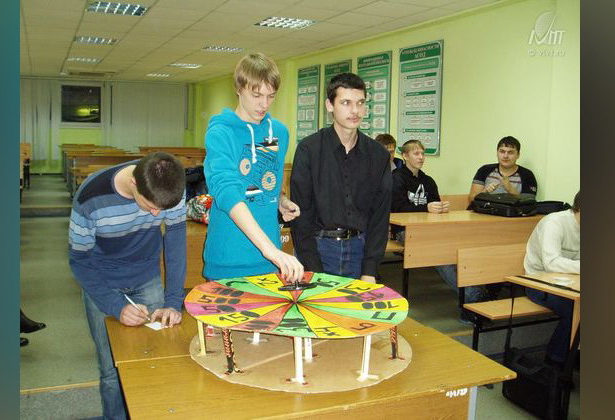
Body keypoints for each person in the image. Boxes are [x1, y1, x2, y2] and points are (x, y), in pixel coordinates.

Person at [69, 152, 187, 420]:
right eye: (151, 206)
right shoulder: (90, 198)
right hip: (103, 283)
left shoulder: (171, 189)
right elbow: (79, 260)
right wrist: (115, 306)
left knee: (156, 360)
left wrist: (173, 301)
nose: (157, 214)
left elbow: (176, 241)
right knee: (112, 370)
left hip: (147, 277)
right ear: (134, 183)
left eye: (162, 209)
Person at [203, 52, 303, 283]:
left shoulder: (279, 133)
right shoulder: (221, 133)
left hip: (269, 262)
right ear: (239, 88)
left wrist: (280, 201)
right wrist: (270, 250)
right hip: (229, 261)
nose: (264, 104)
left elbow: (266, 183)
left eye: (271, 96)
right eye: (256, 95)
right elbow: (227, 192)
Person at [290, 72, 392, 283]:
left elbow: (380, 218)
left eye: (360, 103)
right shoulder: (309, 150)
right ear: (330, 105)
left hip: (360, 250)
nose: (355, 110)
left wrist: (370, 269)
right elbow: (302, 217)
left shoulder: (378, 155)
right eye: (346, 103)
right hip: (318, 249)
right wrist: (313, 270)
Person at [391, 140, 487, 309]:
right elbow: (397, 208)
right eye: (416, 153)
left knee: (458, 245)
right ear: (405, 156)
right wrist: (426, 208)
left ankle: (478, 288)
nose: (421, 157)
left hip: (430, 229)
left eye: (422, 154)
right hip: (405, 231)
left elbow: (434, 204)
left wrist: (441, 208)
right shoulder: (396, 178)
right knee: (440, 250)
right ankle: (472, 295)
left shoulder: (428, 181)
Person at [525, 191, 580, 367]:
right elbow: (552, 263)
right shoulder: (554, 222)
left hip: (572, 283)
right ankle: (555, 361)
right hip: (538, 282)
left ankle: (574, 354)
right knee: (575, 309)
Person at [468, 136, 537, 204]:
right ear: (497, 153)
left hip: (510, 211)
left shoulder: (527, 175)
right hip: (485, 210)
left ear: (518, 155)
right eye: (502, 151)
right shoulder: (484, 170)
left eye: (510, 152)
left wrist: (510, 189)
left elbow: (529, 203)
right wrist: (485, 191)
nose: (505, 156)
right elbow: (471, 198)